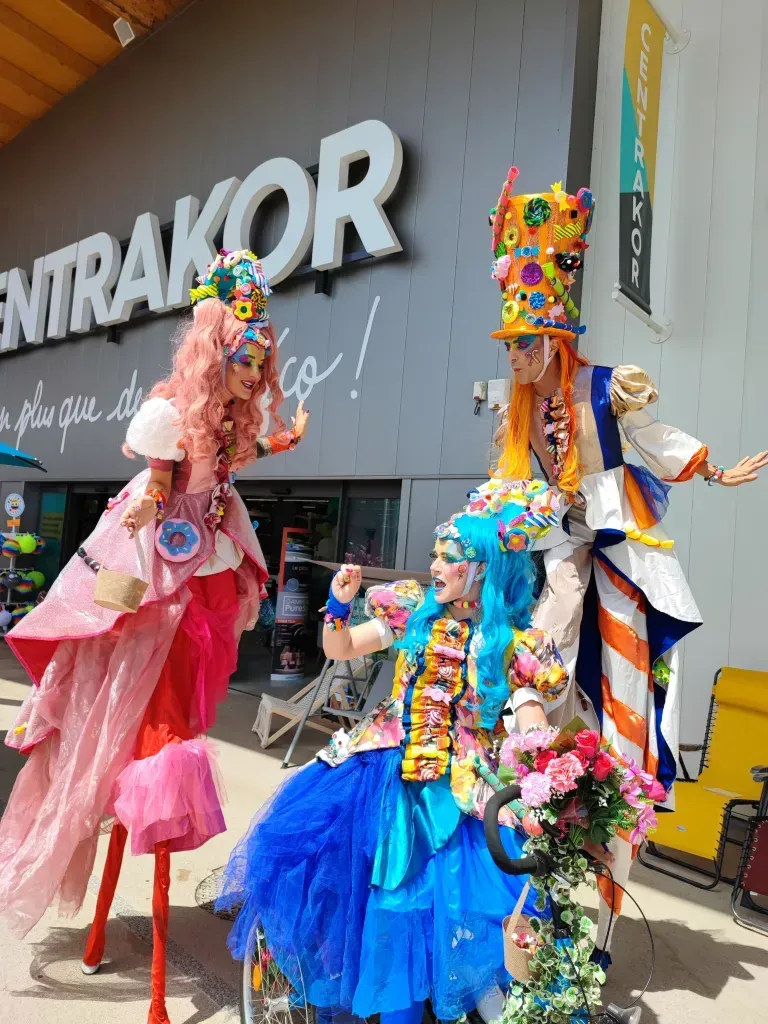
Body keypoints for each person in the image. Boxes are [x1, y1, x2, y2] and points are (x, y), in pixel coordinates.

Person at [0, 249, 309, 1024]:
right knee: (142, 706)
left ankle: (112, 913)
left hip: (200, 579)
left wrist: (284, 444)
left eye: (262, 361)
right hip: (160, 578)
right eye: (244, 358)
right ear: (214, 350)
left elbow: (232, 463)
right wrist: (145, 507)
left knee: (175, 702)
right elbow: (161, 485)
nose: (255, 373)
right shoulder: (173, 415)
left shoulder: (228, 425)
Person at [487, 167, 768, 961]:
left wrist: (713, 470)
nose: (516, 358)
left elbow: (655, 440)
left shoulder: (607, 388)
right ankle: (528, 874)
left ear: (556, 339)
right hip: (560, 559)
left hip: (619, 564)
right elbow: (513, 500)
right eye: (510, 346)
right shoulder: (519, 420)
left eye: (526, 343)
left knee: (624, 723)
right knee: (533, 677)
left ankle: (601, 920)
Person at [215, 478, 587, 1024]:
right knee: (377, 905)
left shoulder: (512, 644)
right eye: (435, 554)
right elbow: (340, 647)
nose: (435, 565)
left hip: (462, 789)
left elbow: (532, 721)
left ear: (482, 568)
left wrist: (551, 773)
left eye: (449, 557)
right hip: (380, 777)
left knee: (468, 920)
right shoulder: (413, 612)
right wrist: (338, 604)